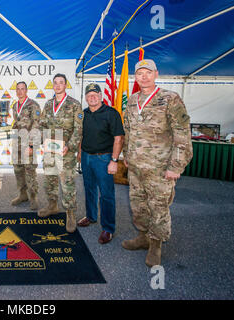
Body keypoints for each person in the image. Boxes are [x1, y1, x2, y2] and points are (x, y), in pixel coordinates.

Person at [122, 59, 193, 267]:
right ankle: (143, 237)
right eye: (140, 73)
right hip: (135, 167)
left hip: (160, 168)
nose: (144, 77)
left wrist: (176, 166)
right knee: (138, 205)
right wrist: (126, 154)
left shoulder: (170, 99)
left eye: (148, 72)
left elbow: (182, 134)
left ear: (156, 74)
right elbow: (129, 130)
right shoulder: (133, 100)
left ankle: (156, 245)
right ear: (136, 77)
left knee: (158, 207)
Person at [77, 83, 125, 244]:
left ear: (101, 96)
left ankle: (108, 228)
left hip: (104, 159)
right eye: (89, 94)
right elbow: (81, 135)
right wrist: (79, 153)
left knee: (106, 194)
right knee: (89, 188)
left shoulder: (112, 113)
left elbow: (119, 138)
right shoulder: (83, 114)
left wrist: (114, 160)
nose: (92, 97)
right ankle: (91, 217)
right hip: (86, 157)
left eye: (95, 94)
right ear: (85, 97)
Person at [38, 74, 84, 233]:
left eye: (61, 83)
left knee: (67, 184)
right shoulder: (48, 104)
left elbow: (79, 130)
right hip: (50, 151)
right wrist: (41, 141)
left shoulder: (74, 104)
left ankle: (70, 213)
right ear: (53, 85)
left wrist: (70, 147)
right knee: (49, 180)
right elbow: (42, 124)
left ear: (66, 85)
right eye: (55, 83)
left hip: (66, 152)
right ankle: (52, 206)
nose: (58, 85)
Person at [10, 81, 42, 210]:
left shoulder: (33, 105)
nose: (20, 91)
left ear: (26, 90)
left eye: (22, 89)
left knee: (29, 171)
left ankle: (33, 197)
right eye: (18, 89)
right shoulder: (14, 106)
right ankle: (23, 194)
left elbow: (37, 125)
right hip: (16, 143)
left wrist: (31, 146)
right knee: (18, 170)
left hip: (28, 144)